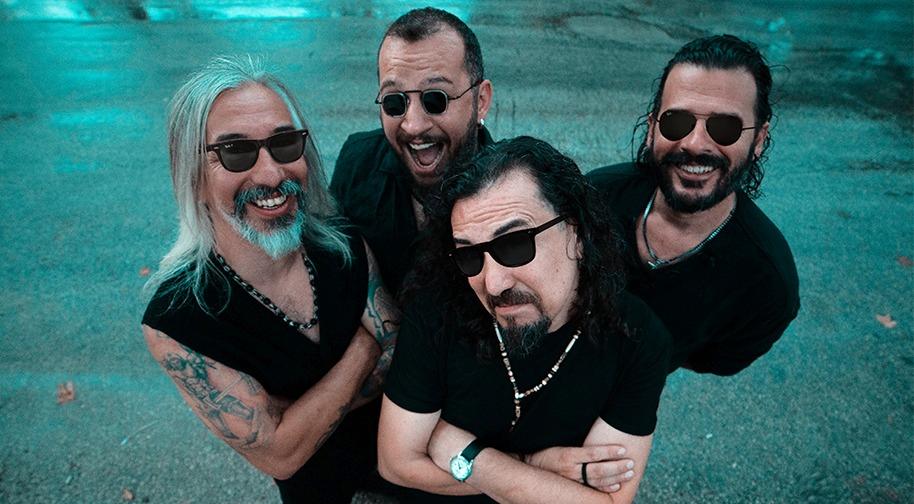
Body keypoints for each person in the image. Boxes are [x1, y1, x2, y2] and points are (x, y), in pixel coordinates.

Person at [141, 55, 397, 503]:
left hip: (408, 463)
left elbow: (401, 353)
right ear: (193, 175)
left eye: (284, 143)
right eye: (236, 152)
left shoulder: (341, 244)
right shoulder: (176, 320)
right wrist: (365, 347)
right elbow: (280, 456)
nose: (272, 173)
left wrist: (292, 416)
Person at [378, 136, 671, 503]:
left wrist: (467, 455)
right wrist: (535, 465)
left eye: (515, 243)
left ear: (577, 233)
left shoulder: (636, 336)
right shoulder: (441, 309)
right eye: (470, 256)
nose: (493, 283)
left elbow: (607, 501)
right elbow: (396, 463)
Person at [588, 34, 800, 375]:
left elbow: (713, 360)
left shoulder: (767, 284)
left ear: (759, 139)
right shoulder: (594, 196)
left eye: (725, 127)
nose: (695, 143)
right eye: (677, 122)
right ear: (652, 128)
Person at [330, 7, 495, 295]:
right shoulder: (358, 162)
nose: (413, 125)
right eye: (395, 101)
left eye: (436, 100)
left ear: (480, 101)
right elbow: (337, 265)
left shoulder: (512, 197)